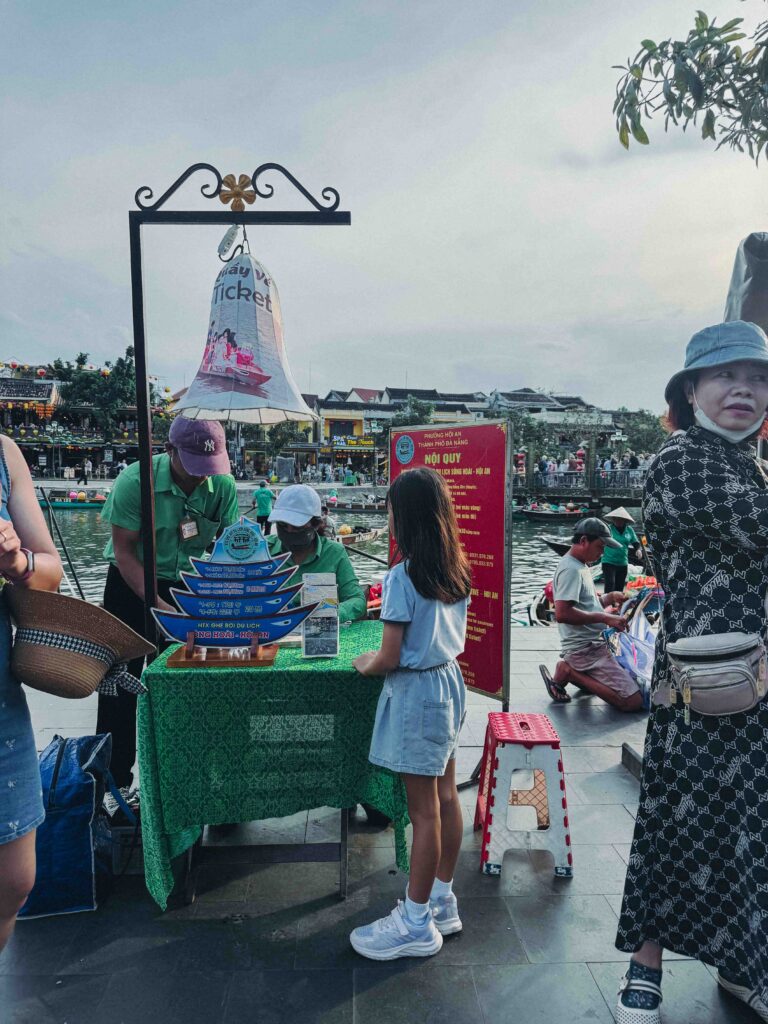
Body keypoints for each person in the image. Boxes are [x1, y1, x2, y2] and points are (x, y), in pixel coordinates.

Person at [615, 321, 768, 1023]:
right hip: (695, 682)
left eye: (760, 378)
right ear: (691, 390)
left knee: (749, 825)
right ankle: (644, 966)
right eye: (726, 376)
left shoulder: (751, 462)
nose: (745, 389)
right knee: (675, 816)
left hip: (757, 681)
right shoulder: (681, 460)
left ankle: (743, 965)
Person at [349, 467, 470, 960]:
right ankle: (442, 898)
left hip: (417, 694)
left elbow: (390, 655)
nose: (388, 517)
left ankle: (416, 922)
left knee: (422, 813)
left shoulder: (402, 577)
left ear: (406, 517)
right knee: (445, 798)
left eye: (391, 509)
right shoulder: (455, 568)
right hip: (449, 684)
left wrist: (363, 665)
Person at [96, 417, 239, 804]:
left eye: (207, 469)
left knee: (184, 682)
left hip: (188, 587)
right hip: (130, 583)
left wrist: (221, 603)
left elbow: (227, 549)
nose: (198, 478)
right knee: (120, 682)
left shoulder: (222, 486)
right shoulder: (133, 481)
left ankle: (183, 775)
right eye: (191, 466)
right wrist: (154, 606)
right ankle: (112, 784)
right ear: (169, 450)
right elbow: (124, 552)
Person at [0, 436, 63, 950]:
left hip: (1, 700)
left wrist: (15, 561)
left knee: (14, 881)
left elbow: (50, 571)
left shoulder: (3, 452)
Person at [539, 517, 643, 712]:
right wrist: (605, 617)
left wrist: (609, 597)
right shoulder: (571, 570)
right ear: (584, 541)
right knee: (633, 701)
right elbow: (563, 613)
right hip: (586, 649)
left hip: (590, 644)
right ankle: (569, 671)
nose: (603, 551)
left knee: (604, 684)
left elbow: (586, 605)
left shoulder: (581, 565)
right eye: (600, 546)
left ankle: (576, 672)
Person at [266, 484, 366, 622]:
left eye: (296, 527)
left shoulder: (334, 553)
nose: (289, 531)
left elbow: (357, 600)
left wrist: (331, 612)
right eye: (282, 525)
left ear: (316, 524)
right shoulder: (263, 550)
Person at [601, 507, 641, 593]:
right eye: (615, 519)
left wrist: (638, 550)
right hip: (608, 561)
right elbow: (600, 541)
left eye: (620, 519)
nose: (617, 521)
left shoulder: (629, 530)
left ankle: (617, 604)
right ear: (613, 519)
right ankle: (607, 604)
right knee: (610, 584)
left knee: (619, 586)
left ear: (624, 520)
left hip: (622, 562)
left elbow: (635, 543)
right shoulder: (608, 528)